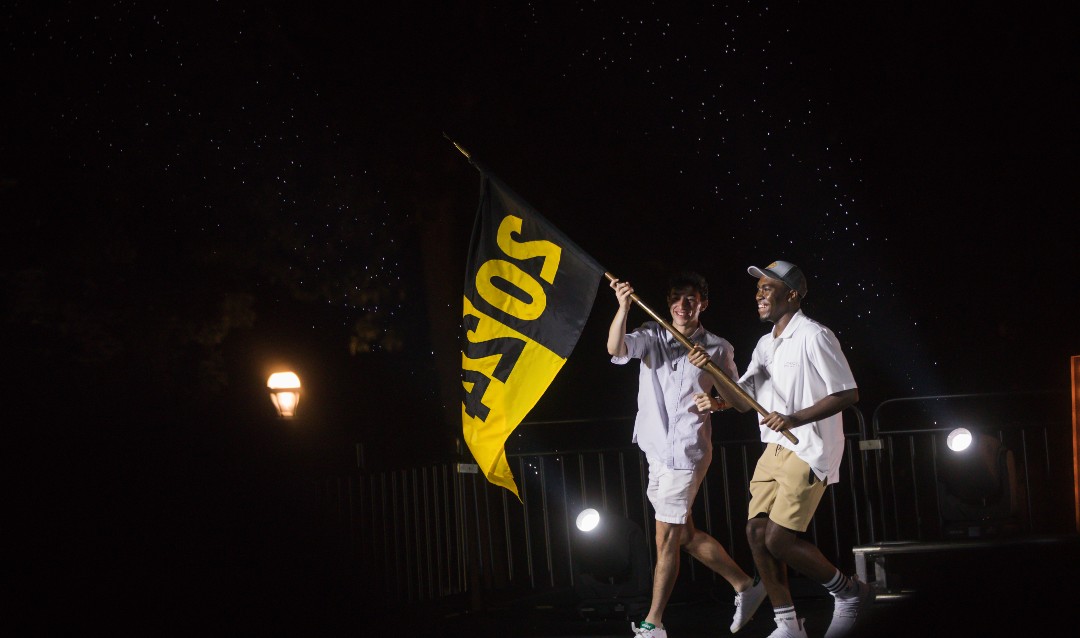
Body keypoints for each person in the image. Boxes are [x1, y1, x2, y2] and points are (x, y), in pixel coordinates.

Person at [689, 260, 871, 638]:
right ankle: (788, 624)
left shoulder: (815, 335)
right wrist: (713, 372)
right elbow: (743, 401)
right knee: (756, 532)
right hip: (773, 448)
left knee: (778, 539)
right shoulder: (765, 343)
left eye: (767, 288)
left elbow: (848, 393)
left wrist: (793, 418)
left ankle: (849, 592)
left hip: (808, 447)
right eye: (758, 288)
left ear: (792, 295)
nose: (758, 294)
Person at [607, 271, 767, 638]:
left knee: (665, 537)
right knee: (684, 537)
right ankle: (746, 585)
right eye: (677, 298)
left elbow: (742, 401)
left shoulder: (717, 347)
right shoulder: (651, 333)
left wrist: (714, 398)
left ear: (703, 304)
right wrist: (623, 306)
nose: (683, 305)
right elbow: (616, 349)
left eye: (691, 299)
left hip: (687, 451)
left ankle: (653, 623)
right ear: (669, 303)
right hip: (655, 449)